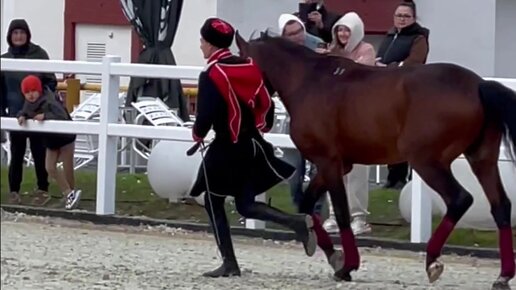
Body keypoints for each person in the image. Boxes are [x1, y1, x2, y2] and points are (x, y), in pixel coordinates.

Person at [188, 17, 316, 278]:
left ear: (211, 44)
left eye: (202, 41)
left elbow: (205, 117)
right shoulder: (249, 67)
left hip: (226, 148)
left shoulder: (212, 74)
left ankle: (230, 263)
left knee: (213, 201)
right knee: (245, 204)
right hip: (252, 145)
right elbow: (266, 111)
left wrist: (197, 134)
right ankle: (296, 222)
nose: (201, 46)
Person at [316, 12, 375, 235]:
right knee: (334, 165)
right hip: (335, 118)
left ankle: (359, 217)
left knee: (358, 170)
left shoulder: (366, 50)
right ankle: (334, 215)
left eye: (346, 30)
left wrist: (335, 62)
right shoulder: (331, 51)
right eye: (339, 30)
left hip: (360, 118)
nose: (342, 34)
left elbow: (359, 73)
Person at [277, 13, 329, 219]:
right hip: (293, 113)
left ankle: (315, 211)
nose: (297, 36)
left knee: (321, 165)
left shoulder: (317, 45)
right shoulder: (280, 54)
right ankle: (300, 206)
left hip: (319, 113)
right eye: (290, 34)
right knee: (293, 167)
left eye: (298, 31)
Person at [1, 19, 57, 205]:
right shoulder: (5, 60)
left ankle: (42, 189)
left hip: (37, 114)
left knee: (39, 152)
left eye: (22, 33)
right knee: (16, 153)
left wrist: (41, 103)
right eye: (15, 33)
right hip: (15, 115)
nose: (19, 36)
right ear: (10, 36)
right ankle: (14, 191)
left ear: (27, 35)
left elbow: (51, 82)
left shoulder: (39, 55)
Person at [375, 0, 430, 190]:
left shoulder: (418, 38)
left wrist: (389, 67)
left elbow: (414, 63)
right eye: (399, 15)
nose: (402, 19)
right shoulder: (391, 35)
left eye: (406, 16)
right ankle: (393, 177)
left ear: (414, 18)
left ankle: (403, 178)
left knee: (405, 134)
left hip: (406, 93)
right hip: (386, 90)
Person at [17, 75, 82, 210]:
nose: (31, 95)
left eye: (33, 91)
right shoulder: (28, 103)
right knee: (50, 167)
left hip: (65, 138)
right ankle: (69, 193)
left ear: (39, 89)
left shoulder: (49, 100)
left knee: (67, 168)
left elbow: (62, 116)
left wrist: (46, 116)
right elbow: (25, 111)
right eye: (27, 92)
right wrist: (21, 116)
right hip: (50, 140)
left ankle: (71, 196)